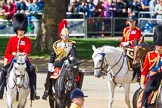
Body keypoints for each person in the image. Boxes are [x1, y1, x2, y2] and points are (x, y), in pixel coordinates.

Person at [0, 13, 40, 100]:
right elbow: (7, 52)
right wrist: (8, 60)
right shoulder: (12, 39)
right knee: (3, 72)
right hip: (13, 59)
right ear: (16, 30)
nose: (21, 31)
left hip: (24, 60)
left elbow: (27, 50)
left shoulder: (28, 40)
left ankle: (33, 92)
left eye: (22, 30)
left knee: (32, 71)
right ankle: (1, 90)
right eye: (19, 30)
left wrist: (22, 54)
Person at [42, 19, 77, 100]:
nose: (66, 37)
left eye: (67, 35)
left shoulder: (71, 45)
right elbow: (52, 56)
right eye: (64, 36)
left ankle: (75, 91)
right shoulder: (56, 45)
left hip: (68, 63)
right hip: (58, 64)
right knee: (50, 76)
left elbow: (73, 54)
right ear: (61, 36)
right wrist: (50, 64)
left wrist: (71, 58)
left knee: (74, 75)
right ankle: (47, 90)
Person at [140, 24, 162, 107]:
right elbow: (145, 70)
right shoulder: (150, 55)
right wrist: (142, 82)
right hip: (153, 77)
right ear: (155, 45)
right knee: (147, 91)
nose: (160, 47)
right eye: (159, 45)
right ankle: (143, 105)